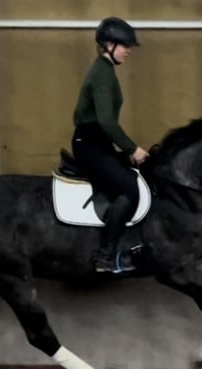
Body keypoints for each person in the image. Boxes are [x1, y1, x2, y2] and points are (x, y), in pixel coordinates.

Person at [71, 17, 149, 273]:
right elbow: (106, 121)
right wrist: (132, 149)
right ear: (108, 44)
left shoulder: (105, 70)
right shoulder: (102, 74)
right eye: (124, 45)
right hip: (90, 146)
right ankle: (105, 257)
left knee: (140, 177)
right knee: (130, 190)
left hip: (98, 144)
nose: (128, 50)